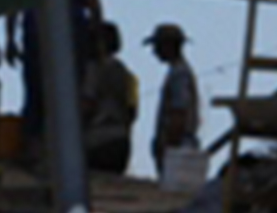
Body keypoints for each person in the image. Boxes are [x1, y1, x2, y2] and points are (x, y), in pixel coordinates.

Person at [78, 19, 138, 180]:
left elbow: (87, 105)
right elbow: (132, 110)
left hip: (97, 142)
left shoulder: (93, 69)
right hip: (121, 142)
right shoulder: (125, 73)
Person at [147, 22, 203, 177]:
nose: (154, 51)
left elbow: (179, 111)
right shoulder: (179, 72)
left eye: (158, 46)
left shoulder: (179, 74)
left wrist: (169, 146)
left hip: (178, 147)